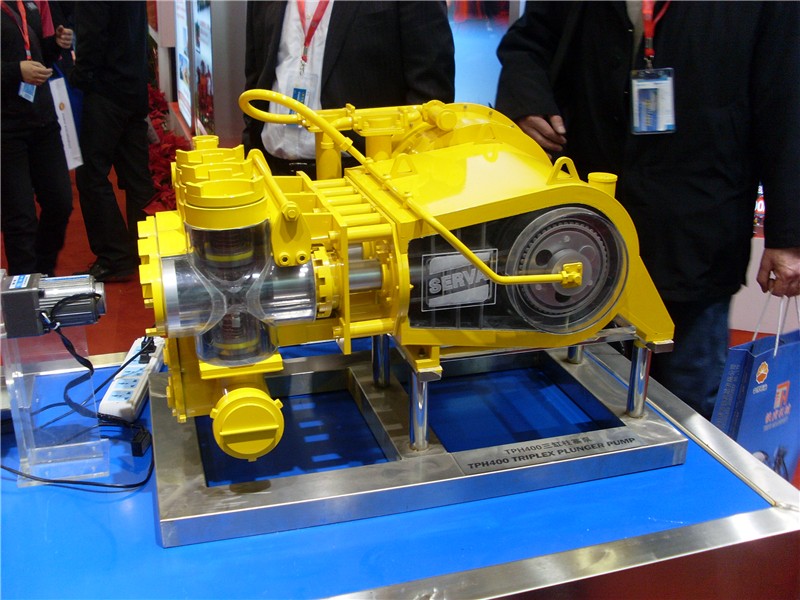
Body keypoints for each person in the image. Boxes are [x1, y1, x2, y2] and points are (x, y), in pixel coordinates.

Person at [495, 1, 800, 419]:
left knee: (688, 396)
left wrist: (788, 235)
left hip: (697, 224)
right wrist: (526, 101)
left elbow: (786, 100)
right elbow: (528, 43)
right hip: (584, 225)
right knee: (570, 392)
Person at [242, 0, 456, 178]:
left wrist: (401, 175)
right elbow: (255, 74)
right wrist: (250, 154)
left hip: (367, 177)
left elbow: (430, 91)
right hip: (270, 173)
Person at [70, 0, 154, 282]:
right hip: (133, 89)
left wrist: (78, 78)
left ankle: (115, 256)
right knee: (137, 177)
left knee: (91, 176)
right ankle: (146, 250)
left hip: (106, 92)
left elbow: (92, 38)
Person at [1, 0, 74, 276]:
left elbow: (39, 55)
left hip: (42, 120)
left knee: (60, 202)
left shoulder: (30, 2)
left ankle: (42, 272)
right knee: (20, 217)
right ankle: (25, 287)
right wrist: (16, 71)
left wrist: (56, 44)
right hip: (6, 129)